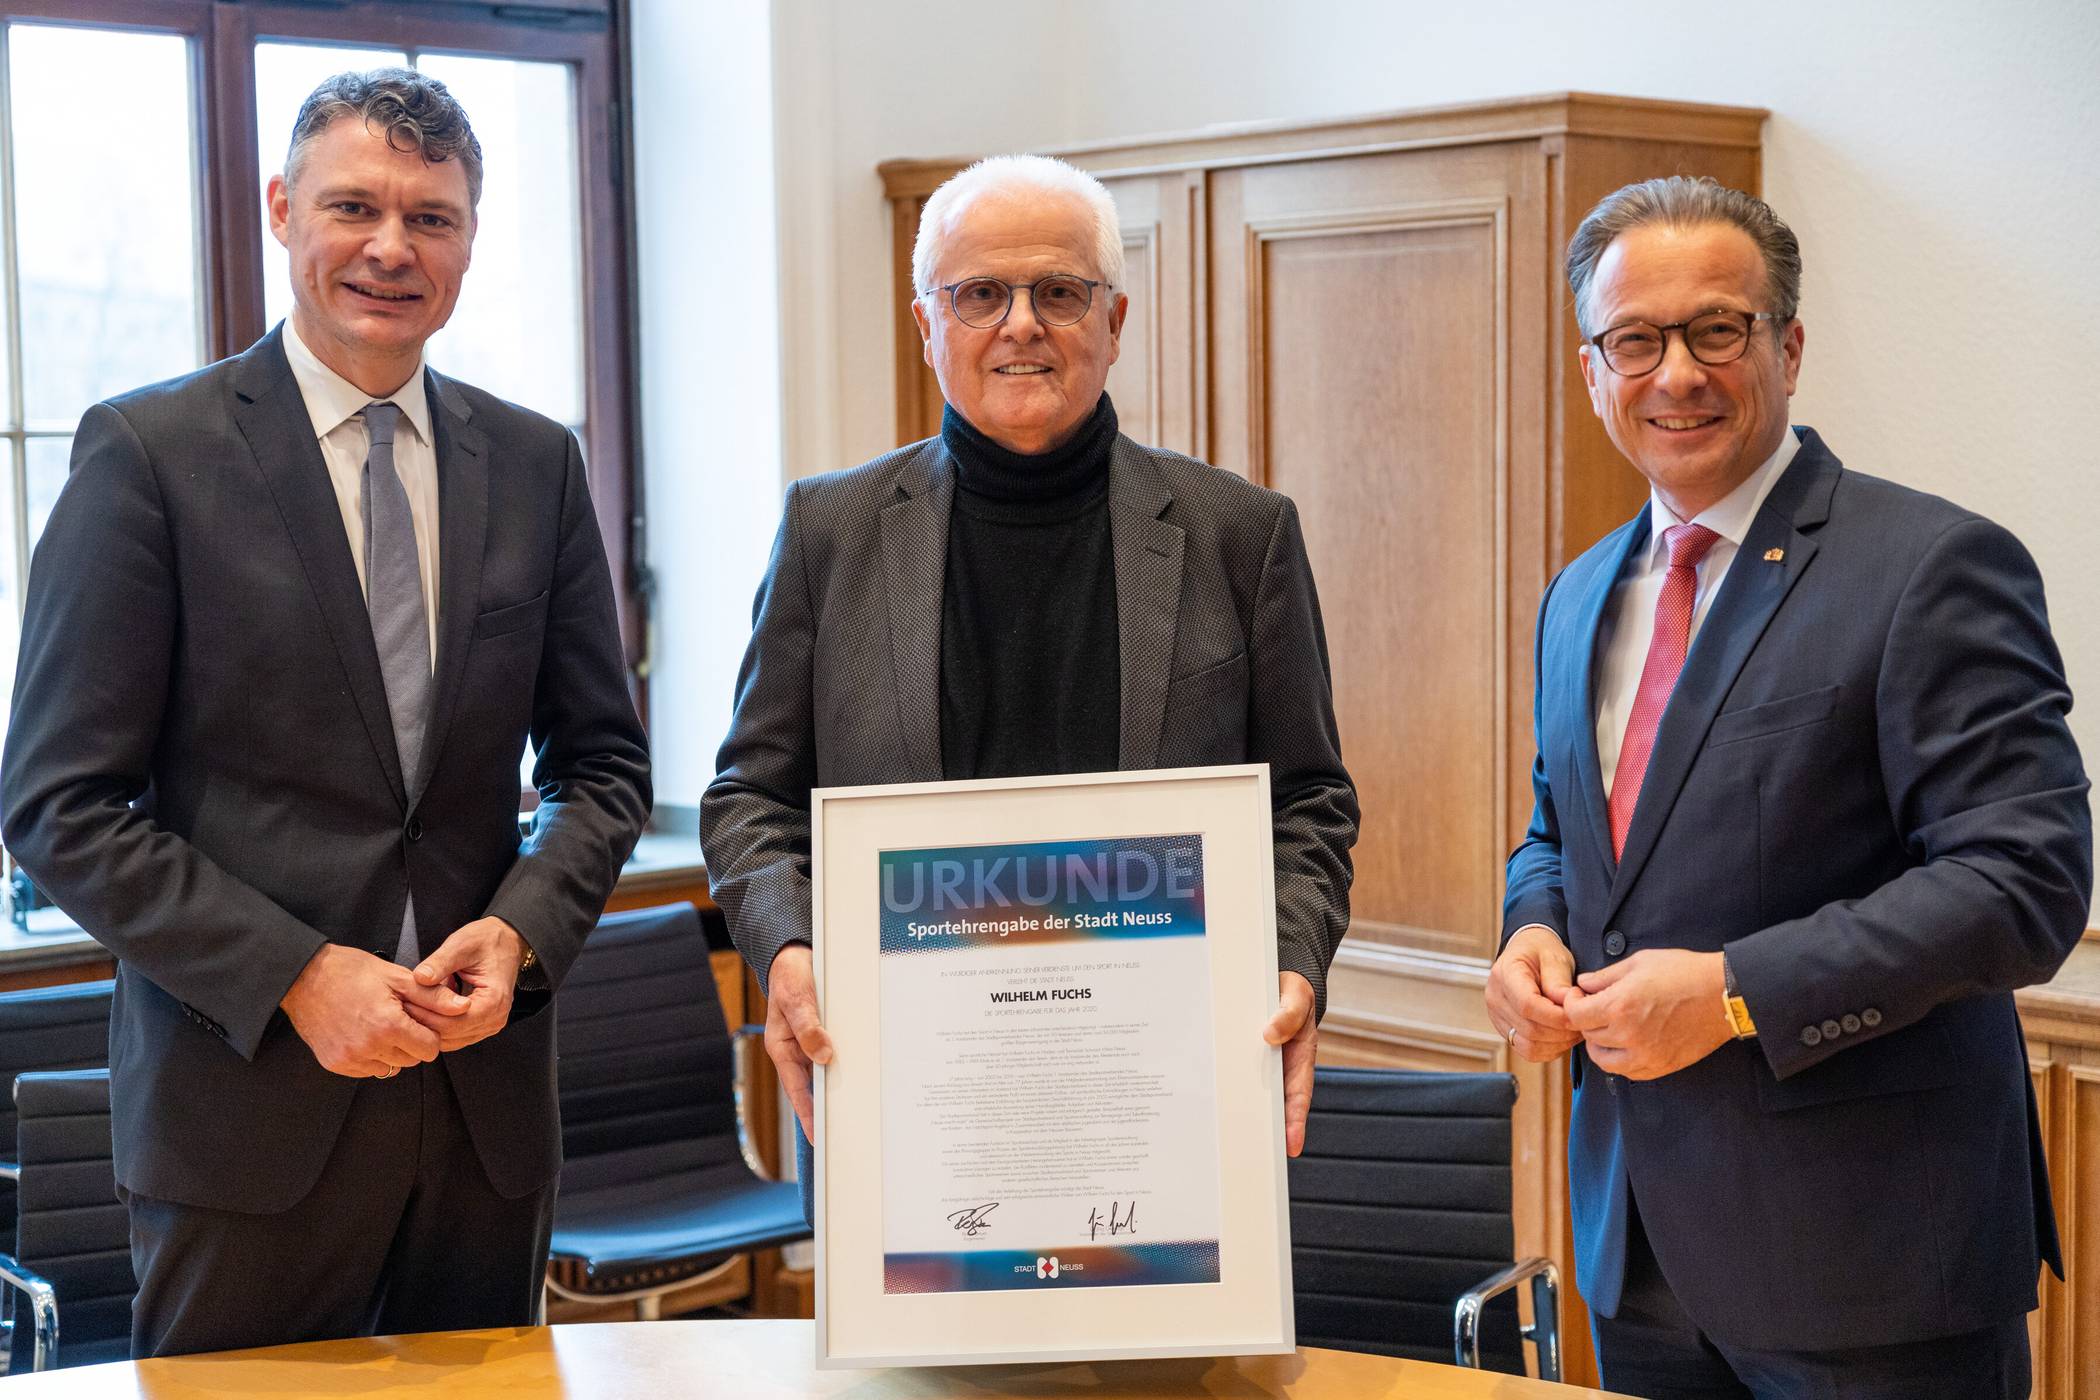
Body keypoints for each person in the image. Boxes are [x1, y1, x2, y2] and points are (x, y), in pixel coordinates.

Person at [0, 69, 649, 1356]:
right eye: (355, 205)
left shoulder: (535, 463)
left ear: (471, 238)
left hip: (484, 1117)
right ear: (282, 208)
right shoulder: (149, 453)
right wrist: (295, 975)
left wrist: (521, 934)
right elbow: (56, 805)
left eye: (434, 216)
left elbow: (605, 767)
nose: (392, 247)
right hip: (246, 1123)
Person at [1488, 175, 2091, 1398]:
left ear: (1790, 345)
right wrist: (1532, 925)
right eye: (1637, 340)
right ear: (1595, 368)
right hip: (1638, 1252)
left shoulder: (1928, 565)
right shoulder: (1578, 593)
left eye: (1719, 329)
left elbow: (2024, 880)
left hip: (1874, 1270)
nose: (1678, 373)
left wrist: (1735, 993)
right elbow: (1565, 832)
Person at [702, 155, 1357, 1189]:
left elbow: (1309, 800)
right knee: (921, 1363)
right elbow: (750, 795)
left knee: (1165, 1359)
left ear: (1114, 319)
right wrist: (787, 954)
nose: (1021, 323)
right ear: (928, 326)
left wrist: (1290, 962)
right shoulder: (828, 532)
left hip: (1164, 1087)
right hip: (911, 1086)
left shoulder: (1241, 534)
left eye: (1058, 291)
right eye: (979, 294)